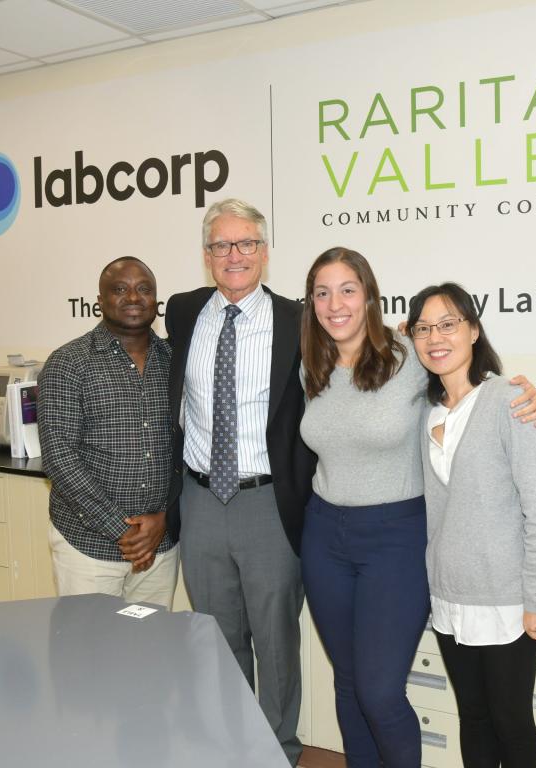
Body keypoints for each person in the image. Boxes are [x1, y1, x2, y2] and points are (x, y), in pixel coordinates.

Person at [164, 198, 314, 767]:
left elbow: (356, 367)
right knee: (218, 638)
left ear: (265, 252)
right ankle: (231, 748)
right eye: (222, 245)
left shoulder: (297, 320)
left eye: (246, 243)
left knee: (275, 638)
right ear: (207, 256)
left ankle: (278, 750)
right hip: (199, 498)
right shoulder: (182, 312)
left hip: (267, 503)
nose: (235, 255)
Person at [406, 282, 536, 768]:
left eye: (449, 324)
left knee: (511, 720)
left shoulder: (508, 399)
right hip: (451, 594)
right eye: (423, 328)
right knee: (472, 717)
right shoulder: (422, 410)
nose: (436, 337)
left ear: (474, 330)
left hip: (507, 597)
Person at [299, 247, 431, 768]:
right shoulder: (311, 363)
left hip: (396, 537)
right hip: (325, 534)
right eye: (322, 292)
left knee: (379, 691)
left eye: (347, 289)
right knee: (350, 684)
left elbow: (473, 382)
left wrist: (519, 393)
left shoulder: (410, 355)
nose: (335, 304)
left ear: (370, 295)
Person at [38, 256, 178, 606]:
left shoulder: (175, 361)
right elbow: (59, 457)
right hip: (88, 549)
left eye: (144, 289)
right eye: (120, 289)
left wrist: (164, 517)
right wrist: (123, 530)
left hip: (159, 546)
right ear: (99, 301)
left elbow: (187, 448)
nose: (133, 297)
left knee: (152, 649)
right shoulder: (69, 362)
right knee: (90, 654)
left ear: (156, 302)